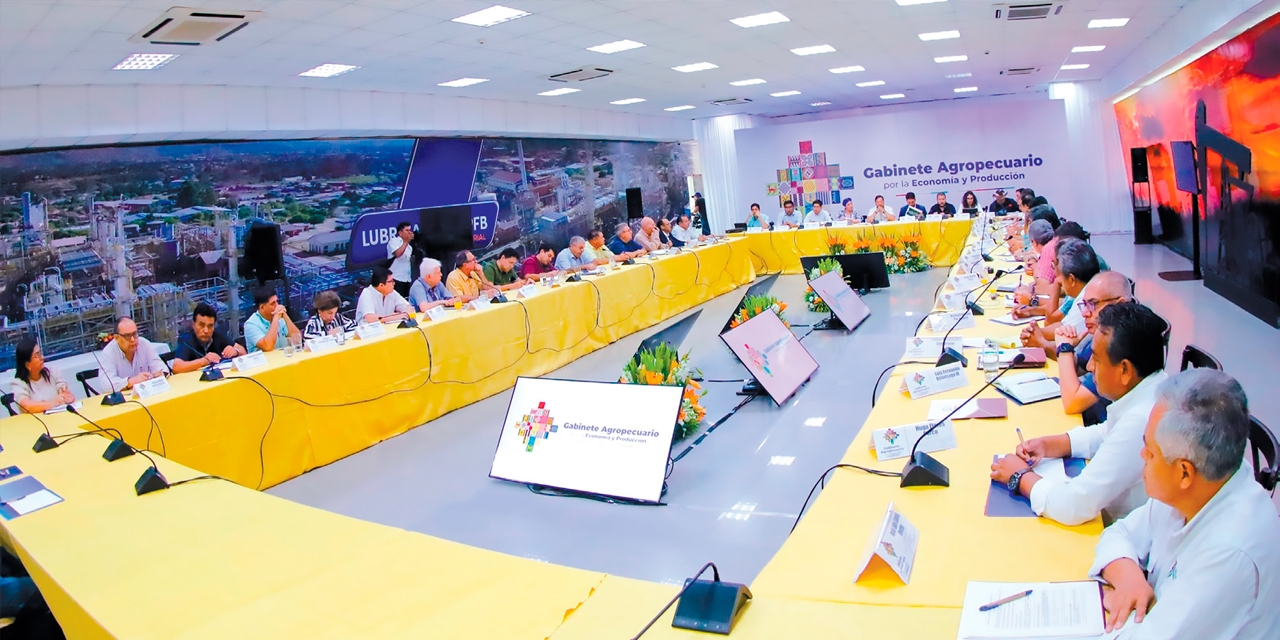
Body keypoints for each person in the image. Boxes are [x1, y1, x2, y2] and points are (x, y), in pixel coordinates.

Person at [1090, 369, 1280, 638]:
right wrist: (1128, 579)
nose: (1142, 455)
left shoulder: (1230, 552)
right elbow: (1120, 533)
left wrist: (1128, 609)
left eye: (1151, 452)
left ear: (1184, 473)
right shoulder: (1202, 480)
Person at [991, 302, 1169, 526]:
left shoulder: (1142, 421)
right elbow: (1108, 433)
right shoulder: (1152, 387)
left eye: (1097, 358)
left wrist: (1020, 477)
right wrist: (1049, 444)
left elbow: (1074, 505)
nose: (1091, 367)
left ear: (1124, 370)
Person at [1054, 272, 1133, 417]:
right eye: (1084, 305)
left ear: (1120, 304)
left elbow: (1073, 403)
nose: (1084, 313)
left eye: (1093, 304)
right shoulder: (1103, 331)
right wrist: (1068, 347)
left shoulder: (1123, 342)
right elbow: (1079, 368)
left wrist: (1064, 349)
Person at [1019, 239, 1101, 349]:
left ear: (1071, 279)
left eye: (1055, 266)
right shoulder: (1087, 289)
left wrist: (1037, 338)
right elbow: (1062, 324)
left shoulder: (1087, 299)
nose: (1056, 274)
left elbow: (1064, 343)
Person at [172, 302, 245, 373]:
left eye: (210, 326)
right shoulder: (186, 340)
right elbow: (176, 367)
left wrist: (235, 351)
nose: (206, 331)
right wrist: (204, 361)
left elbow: (243, 351)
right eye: (201, 325)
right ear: (193, 325)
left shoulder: (216, 334)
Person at [99, 316, 169, 389]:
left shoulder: (144, 344)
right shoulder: (108, 353)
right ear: (117, 338)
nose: (132, 339)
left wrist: (160, 373)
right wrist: (131, 381)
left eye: (135, 334)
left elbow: (161, 367)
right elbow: (106, 384)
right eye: (127, 336)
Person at [10, 338, 74, 413]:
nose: (42, 358)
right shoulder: (18, 384)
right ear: (27, 364)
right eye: (37, 355)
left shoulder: (53, 373)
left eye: (40, 353)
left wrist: (66, 396)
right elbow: (27, 406)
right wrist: (54, 403)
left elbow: (68, 395)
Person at [244, 287, 302, 353]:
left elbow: (297, 340)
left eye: (277, 302)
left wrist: (286, 317)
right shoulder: (251, 325)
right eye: (273, 303)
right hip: (264, 362)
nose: (277, 306)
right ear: (262, 307)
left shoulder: (281, 317)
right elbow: (268, 346)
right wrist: (275, 320)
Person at [386, 222, 414, 298]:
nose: (409, 232)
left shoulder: (409, 247)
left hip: (406, 279)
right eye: (407, 230)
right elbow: (398, 254)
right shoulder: (393, 241)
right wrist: (406, 241)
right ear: (400, 232)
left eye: (410, 230)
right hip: (396, 278)